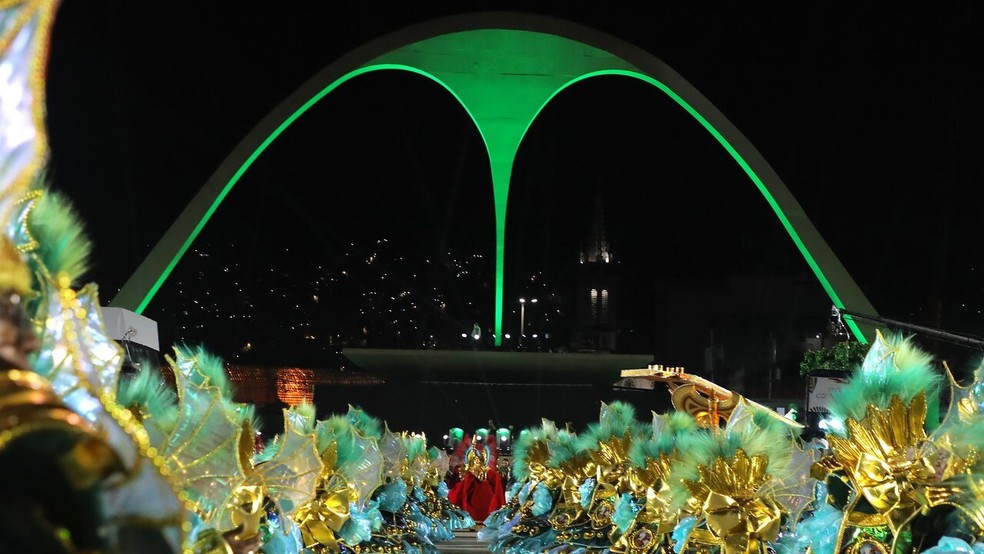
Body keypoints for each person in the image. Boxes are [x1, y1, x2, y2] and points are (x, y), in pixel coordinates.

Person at [448, 428, 506, 525]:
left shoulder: (489, 473)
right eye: (474, 460)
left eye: (478, 459)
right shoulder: (468, 473)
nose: (477, 462)